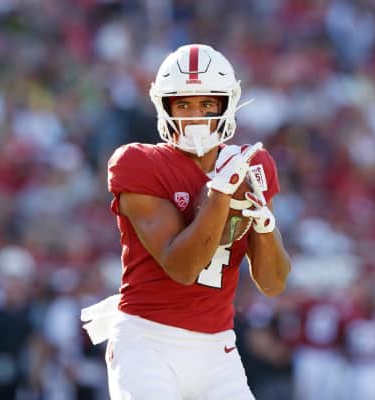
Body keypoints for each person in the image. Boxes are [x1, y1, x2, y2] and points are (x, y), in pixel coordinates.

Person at [81, 44, 291, 400]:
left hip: (218, 349)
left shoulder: (253, 165)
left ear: (227, 105)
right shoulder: (138, 162)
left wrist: (265, 226)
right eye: (184, 105)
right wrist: (219, 196)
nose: (195, 116)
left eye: (207, 104)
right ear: (165, 107)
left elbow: (273, 284)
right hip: (147, 341)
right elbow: (182, 268)